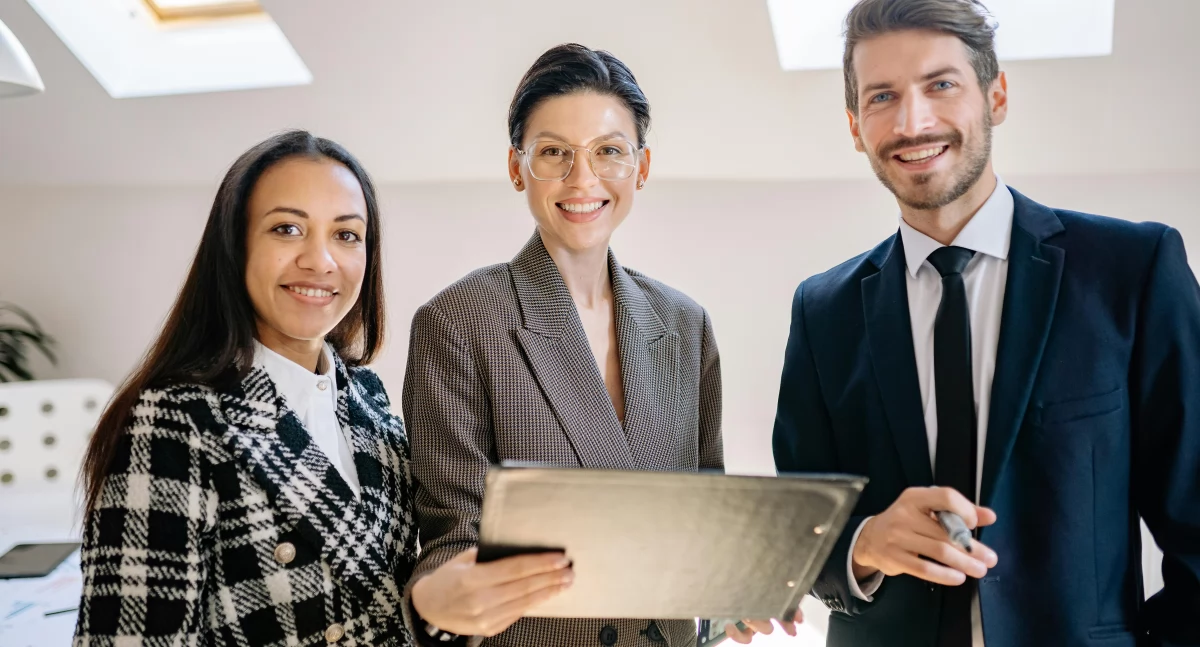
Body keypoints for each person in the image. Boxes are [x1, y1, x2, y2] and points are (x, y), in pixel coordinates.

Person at [771, 1, 1200, 646]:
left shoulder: (1133, 270)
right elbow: (796, 530)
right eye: (882, 96)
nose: (913, 122)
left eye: (941, 85)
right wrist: (863, 544)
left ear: (995, 95)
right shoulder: (821, 308)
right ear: (856, 126)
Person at [73, 130, 567, 647]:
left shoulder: (369, 403)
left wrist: (439, 611)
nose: (320, 260)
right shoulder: (173, 420)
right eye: (287, 229)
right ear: (235, 245)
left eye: (346, 235)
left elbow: (390, 611)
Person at [402, 44, 800, 647]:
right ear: (518, 168)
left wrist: (735, 590)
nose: (582, 179)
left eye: (608, 152)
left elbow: (701, 529)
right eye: (554, 153)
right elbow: (449, 544)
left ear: (641, 167)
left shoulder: (684, 324)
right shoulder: (459, 321)